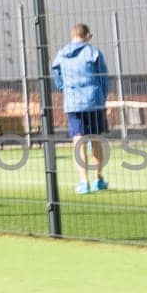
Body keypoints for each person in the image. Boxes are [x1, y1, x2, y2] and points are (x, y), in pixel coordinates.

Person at [51, 23, 110, 193]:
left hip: (73, 103)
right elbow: (103, 78)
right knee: (96, 139)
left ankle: (84, 182)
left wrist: (65, 88)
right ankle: (98, 179)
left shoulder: (61, 54)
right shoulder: (93, 53)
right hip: (94, 101)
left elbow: (56, 73)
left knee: (78, 141)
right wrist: (102, 97)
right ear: (86, 36)